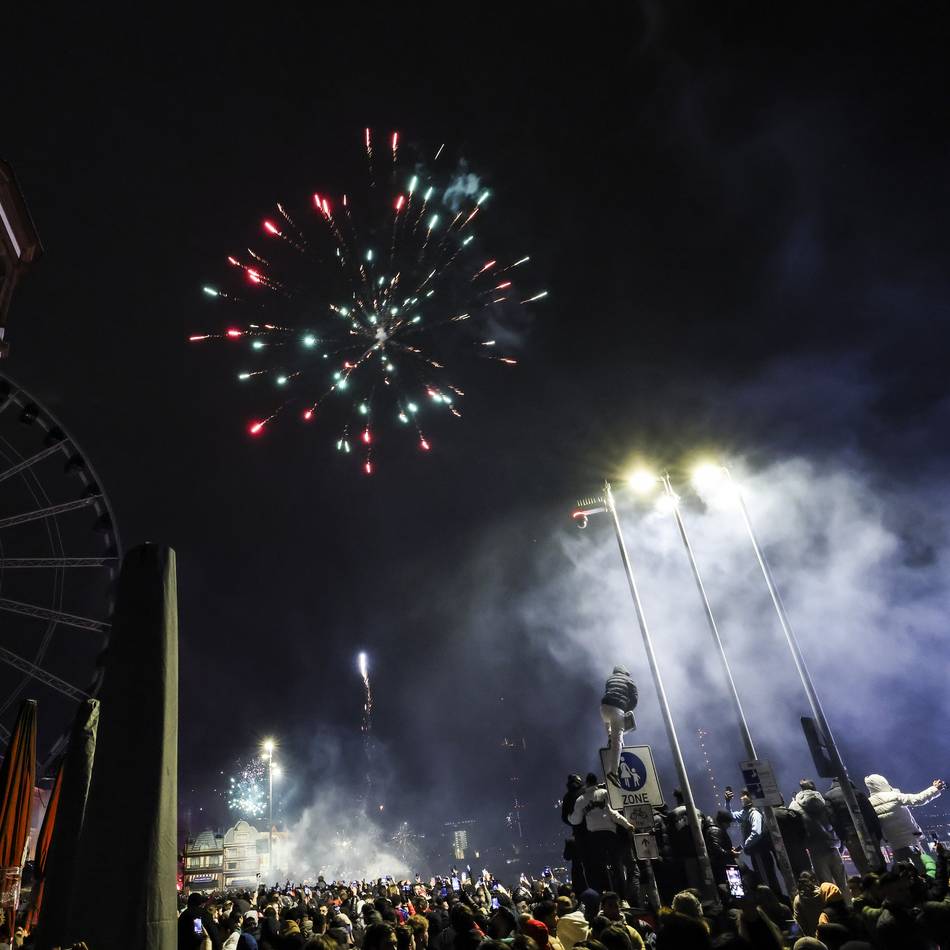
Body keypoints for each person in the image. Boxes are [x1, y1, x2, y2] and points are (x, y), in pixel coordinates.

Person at [569, 777, 637, 896]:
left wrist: (569, 817)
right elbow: (613, 813)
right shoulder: (604, 793)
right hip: (610, 834)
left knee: (599, 868)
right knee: (617, 866)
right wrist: (627, 825)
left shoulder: (581, 800)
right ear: (596, 783)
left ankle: (606, 896)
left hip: (594, 836)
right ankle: (622, 897)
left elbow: (576, 820)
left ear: (587, 784)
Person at [864, 774, 945, 872]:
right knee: (924, 869)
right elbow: (918, 799)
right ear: (883, 783)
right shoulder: (893, 796)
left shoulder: (868, 803)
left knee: (904, 872)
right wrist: (935, 789)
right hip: (911, 840)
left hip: (894, 844)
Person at [790, 780, 849, 898]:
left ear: (801, 789)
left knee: (826, 886)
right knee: (843, 883)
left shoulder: (795, 805)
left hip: (815, 850)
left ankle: (836, 911)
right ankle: (849, 906)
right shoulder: (823, 800)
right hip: (832, 846)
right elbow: (834, 820)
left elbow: (795, 828)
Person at [725, 786, 783, 895]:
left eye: (744, 795)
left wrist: (744, 845)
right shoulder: (745, 813)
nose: (741, 798)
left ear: (751, 797)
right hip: (755, 853)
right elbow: (730, 815)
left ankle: (776, 900)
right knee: (763, 877)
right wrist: (727, 802)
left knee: (766, 879)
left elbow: (756, 833)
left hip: (760, 852)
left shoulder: (754, 813)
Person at [825, 778, 885, 874]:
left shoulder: (828, 797)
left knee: (862, 866)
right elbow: (871, 813)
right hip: (868, 832)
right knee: (879, 863)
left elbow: (833, 819)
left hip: (851, 837)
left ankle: (871, 886)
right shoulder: (857, 792)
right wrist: (877, 833)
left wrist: (843, 837)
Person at [600, 667, 638, 787]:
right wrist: (627, 709)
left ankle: (610, 736)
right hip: (617, 709)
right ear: (625, 672)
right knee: (617, 740)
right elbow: (635, 698)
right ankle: (613, 772)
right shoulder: (629, 680)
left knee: (610, 728)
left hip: (604, 708)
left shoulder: (610, 679)